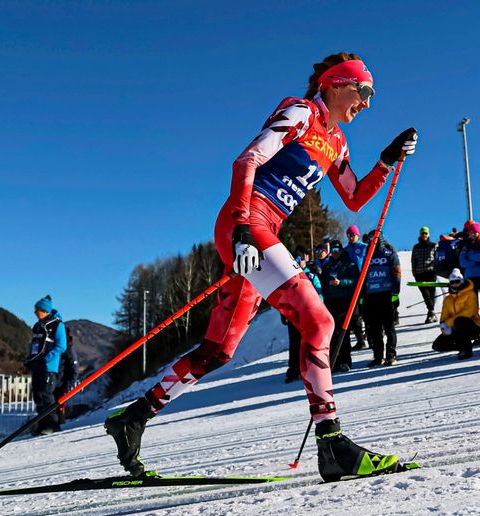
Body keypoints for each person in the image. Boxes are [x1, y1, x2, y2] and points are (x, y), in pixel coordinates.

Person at [104, 53, 418, 482]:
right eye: (364, 91)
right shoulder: (302, 111)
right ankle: (333, 443)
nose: (366, 102)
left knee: (219, 349)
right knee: (317, 320)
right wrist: (240, 230)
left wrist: (385, 159)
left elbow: (354, 197)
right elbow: (247, 161)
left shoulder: (338, 141)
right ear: (336, 83)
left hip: (265, 230)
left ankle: (132, 419)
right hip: (248, 222)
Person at [26, 295, 67, 436]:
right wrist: (29, 360)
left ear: (44, 310)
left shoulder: (57, 325)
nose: (35, 312)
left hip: (49, 368)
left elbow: (61, 346)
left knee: (46, 396)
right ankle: (42, 424)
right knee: (38, 396)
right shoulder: (38, 326)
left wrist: (47, 359)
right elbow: (35, 347)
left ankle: (52, 424)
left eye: (37, 310)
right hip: (37, 366)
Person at [319, 241, 359, 372]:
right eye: (333, 249)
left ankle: (345, 361)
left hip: (344, 301)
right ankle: (334, 361)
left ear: (341, 250)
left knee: (343, 332)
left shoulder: (349, 263)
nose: (335, 252)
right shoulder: (328, 265)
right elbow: (323, 283)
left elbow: (355, 281)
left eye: (337, 249)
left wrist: (341, 282)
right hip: (330, 301)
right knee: (331, 333)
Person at [362, 232, 401, 366]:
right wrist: (362, 296)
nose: (373, 241)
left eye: (376, 238)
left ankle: (390, 354)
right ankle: (378, 356)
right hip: (371, 295)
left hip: (386, 294)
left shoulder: (389, 254)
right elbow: (362, 277)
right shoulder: (367, 256)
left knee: (389, 327)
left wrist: (395, 293)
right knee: (375, 329)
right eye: (371, 239)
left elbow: (397, 273)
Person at [282, 253, 322, 383]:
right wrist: (283, 312)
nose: (298, 262)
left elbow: (319, 294)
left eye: (300, 259)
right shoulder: (288, 277)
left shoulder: (311, 275)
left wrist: (318, 310)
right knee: (294, 343)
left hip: (309, 314)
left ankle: (312, 368)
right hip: (294, 315)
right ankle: (294, 368)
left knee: (310, 342)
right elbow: (283, 296)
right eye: (295, 259)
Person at [431, 269, 480, 360]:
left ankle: (466, 350)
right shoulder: (448, 299)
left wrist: (450, 322)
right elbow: (444, 316)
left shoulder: (470, 294)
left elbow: (469, 312)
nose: (454, 284)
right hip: (455, 328)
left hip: (472, 326)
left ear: (461, 281)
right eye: (452, 282)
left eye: (457, 281)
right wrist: (443, 326)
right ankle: (462, 345)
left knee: (460, 320)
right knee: (437, 345)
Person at [458, 220, 480, 342]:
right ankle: (475, 334)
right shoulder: (466, 245)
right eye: (470, 232)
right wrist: (475, 261)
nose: (472, 235)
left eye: (474, 232)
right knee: (472, 309)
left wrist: (471, 258)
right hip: (470, 279)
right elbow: (462, 262)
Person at [344, 225, 368, 350]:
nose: (351, 237)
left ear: (358, 235)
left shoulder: (364, 247)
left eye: (353, 235)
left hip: (364, 283)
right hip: (351, 284)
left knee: (366, 311)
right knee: (354, 313)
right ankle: (360, 339)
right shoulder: (346, 250)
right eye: (349, 235)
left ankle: (371, 337)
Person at [411, 226, 438, 323]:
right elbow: (413, 260)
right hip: (419, 273)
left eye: (425, 233)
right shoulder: (416, 247)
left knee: (431, 293)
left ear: (428, 234)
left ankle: (431, 312)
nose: (424, 235)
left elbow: (436, 258)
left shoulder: (433, 245)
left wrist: (436, 269)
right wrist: (414, 273)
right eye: (422, 233)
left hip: (430, 272)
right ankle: (431, 311)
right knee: (425, 293)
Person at [52, 327, 79, 425]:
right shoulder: (56, 349)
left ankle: (58, 428)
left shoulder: (68, 350)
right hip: (53, 384)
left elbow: (74, 370)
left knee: (59, 410)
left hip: (61, 385)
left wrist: (66, 386)